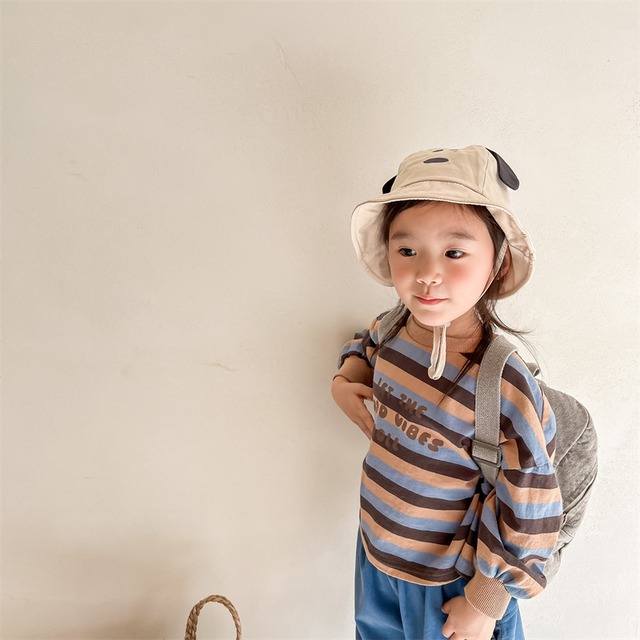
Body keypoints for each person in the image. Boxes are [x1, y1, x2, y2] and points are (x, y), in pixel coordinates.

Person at [331, 146, 563, 640]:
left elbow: (532, 502)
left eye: (454, 253)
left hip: (451, 586)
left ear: (497, 264)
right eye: (407, 250)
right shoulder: (394, 328)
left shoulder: (502, 382)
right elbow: (365, 342)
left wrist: (486, 601)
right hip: (377, 553)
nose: (426, 272)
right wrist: (346, 378)